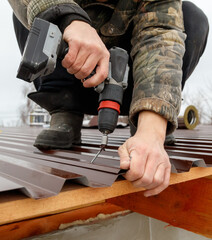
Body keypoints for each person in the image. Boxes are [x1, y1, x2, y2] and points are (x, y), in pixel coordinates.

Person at [9, 0, 209, 197]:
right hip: (76, 81)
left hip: (133, 88)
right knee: (35, 15)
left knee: (191, 18)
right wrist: (67, 18)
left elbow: (161, 35)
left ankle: (143, 119)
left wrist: (152, 129)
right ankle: (65, 112)